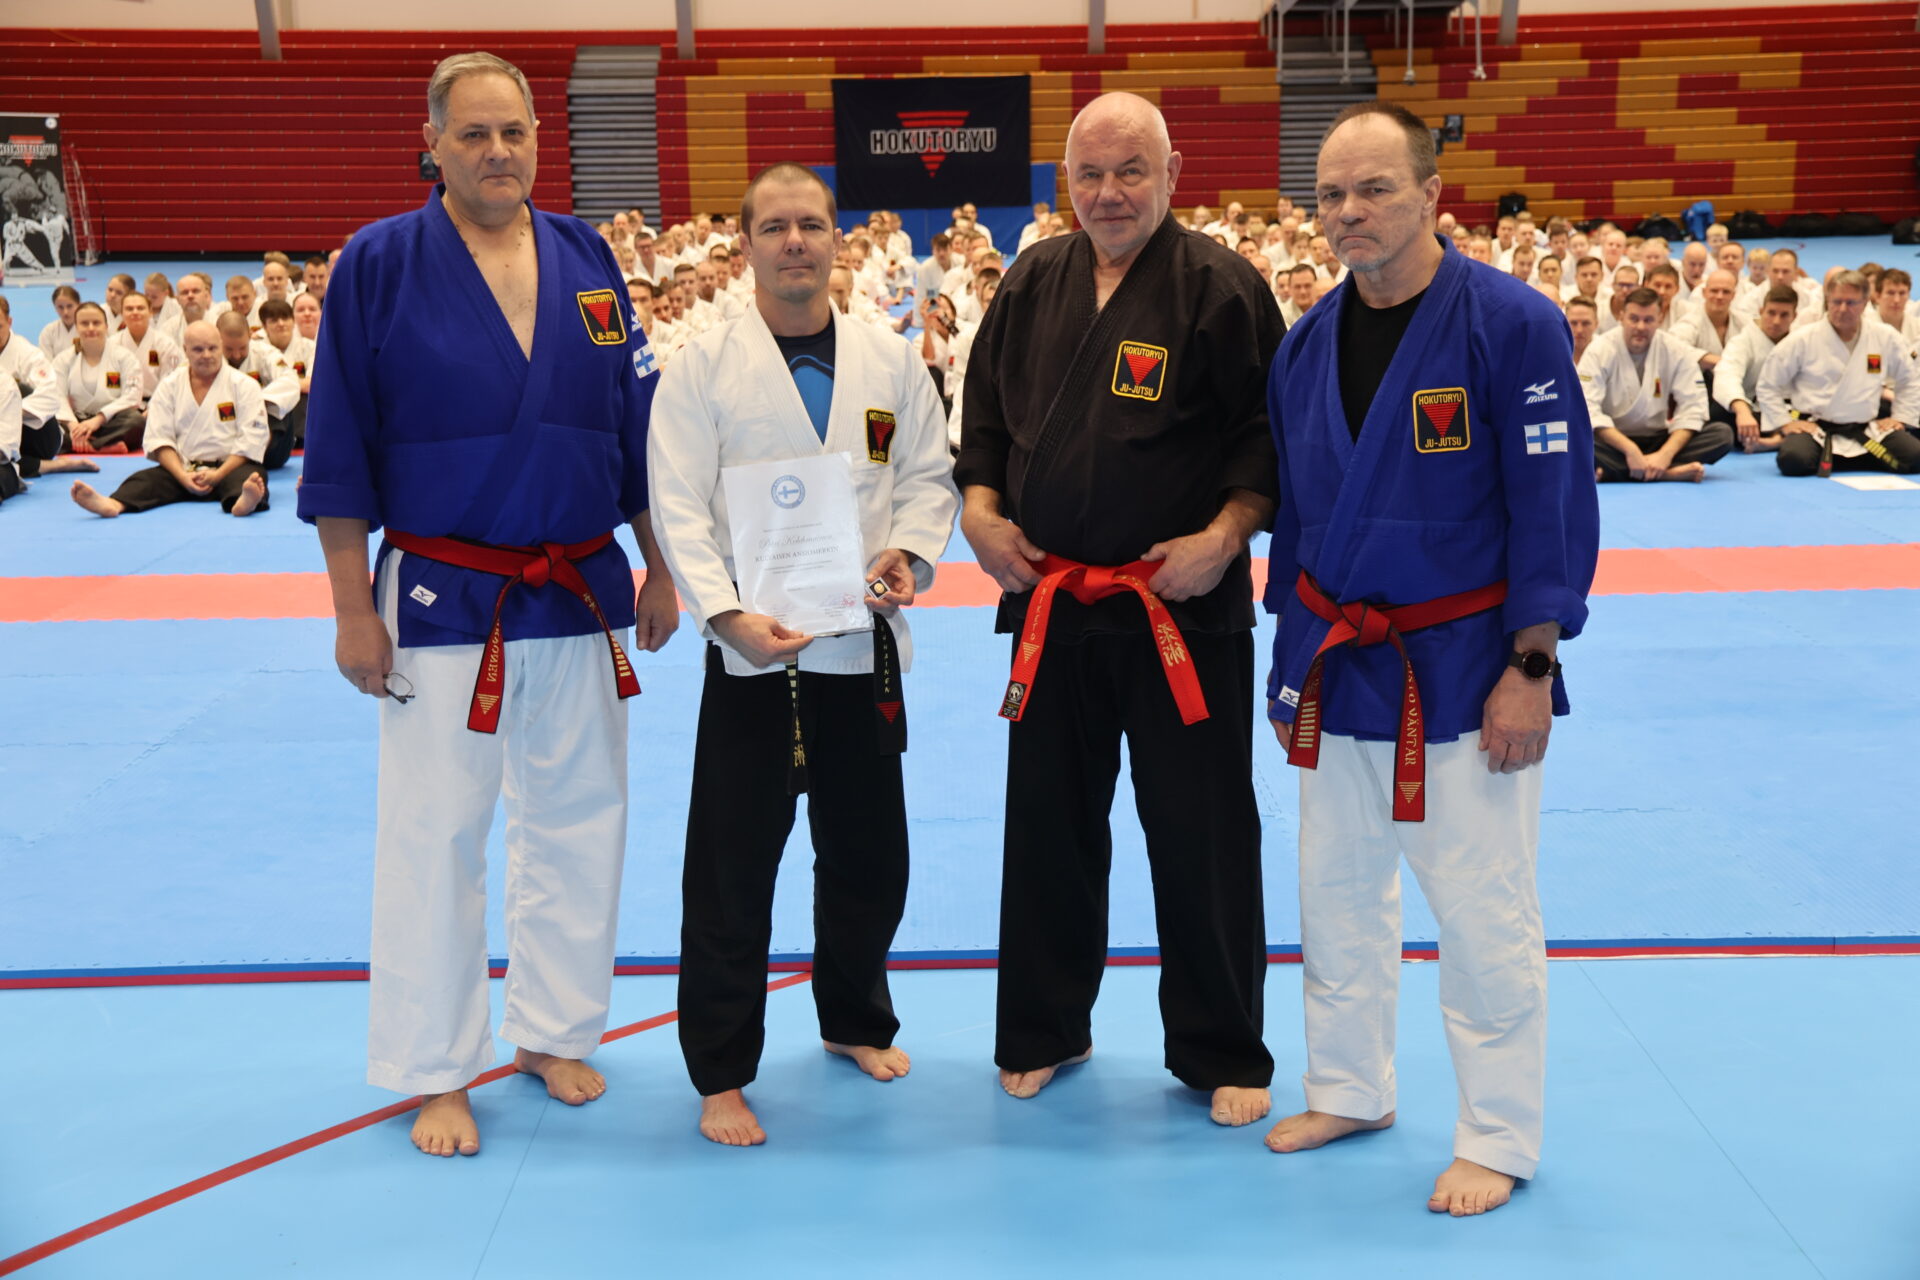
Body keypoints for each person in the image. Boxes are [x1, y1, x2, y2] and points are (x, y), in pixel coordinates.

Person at [296, 51, 679, 1160]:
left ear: (538, 140)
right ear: (432, 145)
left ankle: (554, 1029)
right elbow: (338, 447)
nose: (497, 152)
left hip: (581, 586)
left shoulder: (586, 254)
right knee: (436, 832)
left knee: (580, 817)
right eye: (473, 134)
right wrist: (351, 608)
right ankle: (437, 1067)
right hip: (439, 592)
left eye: (513, 131)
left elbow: (634, 428)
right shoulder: (377, 264)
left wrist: (659, 561)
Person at [1261, 100, 1598, 1218]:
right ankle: (1350, 1088)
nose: (1349, 212)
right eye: (1331, 195)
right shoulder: (1305, 342)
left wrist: (1532, 668)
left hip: (1464, 672)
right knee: (1336, 896)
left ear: (1431, 194)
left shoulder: (1513, 325)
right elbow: (1300, 527)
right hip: (1338, 669)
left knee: (1483, 910)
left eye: (1375, 189)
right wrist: (1290, 667)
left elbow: (1552, 504)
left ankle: (1497, 1133)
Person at [955, 91, 1283, 1130]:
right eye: (1089, 174)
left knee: (1202, 829)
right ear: (1066, 183)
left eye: (1130, 170)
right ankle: (1045, 1027)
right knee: (1048, 823)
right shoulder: (1032, 279)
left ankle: (1222, 1046)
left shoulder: (1222, 287)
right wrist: (978, 512)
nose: (1109, 192)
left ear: (1172, 173)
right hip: (1054, 602)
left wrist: (1224, 537)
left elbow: (1264, 441)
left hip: (1181, 607)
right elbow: (984, 419)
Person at [646, 162, 957, 1148]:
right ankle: (721, 1072)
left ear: (837, 240)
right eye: (774, 225)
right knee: (732, 870)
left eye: (811, 225)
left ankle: (854, 1017)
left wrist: (908, 553)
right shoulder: (702, 368)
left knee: (871, 858)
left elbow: (929, 476)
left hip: (861, 651)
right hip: (753, 661)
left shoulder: (888, 360)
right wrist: (724, 613)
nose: (794, 242)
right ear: (745, 243)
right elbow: (677, 503)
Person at [68, 320, 270, 518]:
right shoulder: (170, 385)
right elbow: (159, 438)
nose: (207, 355)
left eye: (212, 348)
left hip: (228, 468)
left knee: (250, 477)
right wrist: (182, 476)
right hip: (184, 469)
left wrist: (218, 474)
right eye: (198, 349)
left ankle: (243, 502)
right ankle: (114, 504)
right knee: (144, 480)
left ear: (221, 347)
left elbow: (251, 439)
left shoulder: (244, 385)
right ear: (185, 350)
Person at [1761, 270, 1920, 476]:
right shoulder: (1803, 339)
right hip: (1816, 429)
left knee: (1915, 457)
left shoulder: (1884, 336)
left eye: (1851, 302)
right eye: (1836, 302)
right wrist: (1785, 423)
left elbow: (1909, 379)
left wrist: (1901, 417)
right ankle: (1862, 460)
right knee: (1793, 460)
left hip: (1867, 430)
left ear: (1865, 303)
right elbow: (1768, 383)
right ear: (1827, 301)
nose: (1842, 309)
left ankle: (1841, 460)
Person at [1580, 287, 1727, 482]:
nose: (1640, 327)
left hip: (1659, 439)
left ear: (1660, 319)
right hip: (1612, 441)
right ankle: (1667, 473)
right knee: (1574, 439)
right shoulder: (1599, 350)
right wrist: (1630, 449)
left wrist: (1665, 454)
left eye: (1648, 320)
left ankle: (1620, 472)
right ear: (1621, 317)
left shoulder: (1675, 349)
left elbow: (1694, 408)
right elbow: (1587, 410)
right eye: (1634, 319)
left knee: (1722, 434)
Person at [52, 302, 147, 455]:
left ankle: (79, 445)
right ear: (76, 327)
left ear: (106, 326)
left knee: (137, 422)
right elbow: (57, 395)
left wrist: (99, 419)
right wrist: (73, 426)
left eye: (96, 323)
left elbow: (133, 396)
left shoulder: (124, 357)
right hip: (75, 422)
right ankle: (100, 447)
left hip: (110, 421)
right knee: (46, 426)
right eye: (84, 323)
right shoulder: (63, 360)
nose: (91, 328)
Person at [1716, 284, 1797, 453]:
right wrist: (1742, 410)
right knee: (1717, 417)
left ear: (1794, 316)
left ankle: (1773, 441)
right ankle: (1778, 438)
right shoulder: (1743, 341)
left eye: (1784, 315)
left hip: (1788, 411)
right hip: (1749, 411)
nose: (1776, 321)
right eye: (1771, 313)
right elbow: (1727, 375)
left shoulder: (1800, 342)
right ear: (1761, 311)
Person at [110, 290, 185, 405]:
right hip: (121, 405)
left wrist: (154, 407)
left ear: (150, 312)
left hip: (160, 403)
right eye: (129, 309)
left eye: (140, 308)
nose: (135, 312)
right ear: (122, 313)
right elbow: (110, 384)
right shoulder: (112, 344)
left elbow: (170, 382)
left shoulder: (165, 344)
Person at [37, 285, 80, 361]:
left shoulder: (87, 330)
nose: (65, 312)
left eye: (69, 306)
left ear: (79, 305)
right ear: (55, 307)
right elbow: (46, 362)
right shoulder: (48, 331)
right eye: (60, 307)